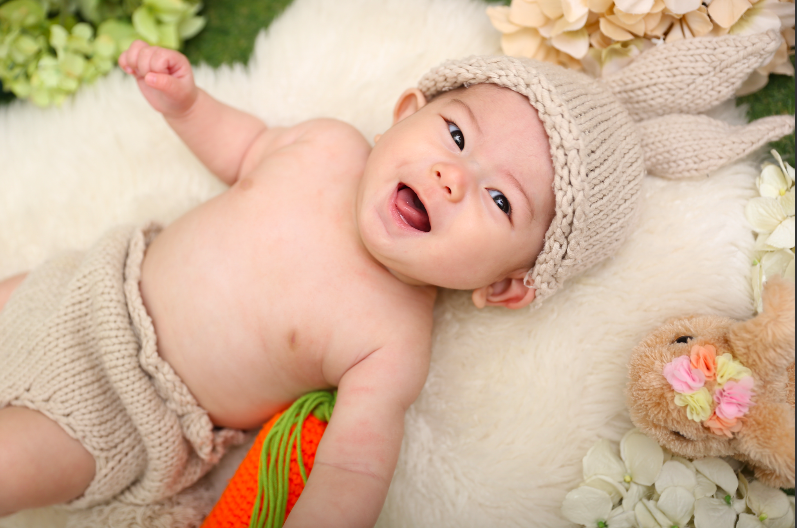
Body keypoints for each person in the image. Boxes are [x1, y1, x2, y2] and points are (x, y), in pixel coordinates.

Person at [0, 30, 791, 526]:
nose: (453, 176)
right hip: (85, 285)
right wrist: (184, 102)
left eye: (498, 200)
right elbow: (240, 147)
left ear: (506, 286)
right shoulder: (325, 147)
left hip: (129, 412)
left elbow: (353, 464)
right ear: (407, 108)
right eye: (455, 135)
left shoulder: (389, 338)